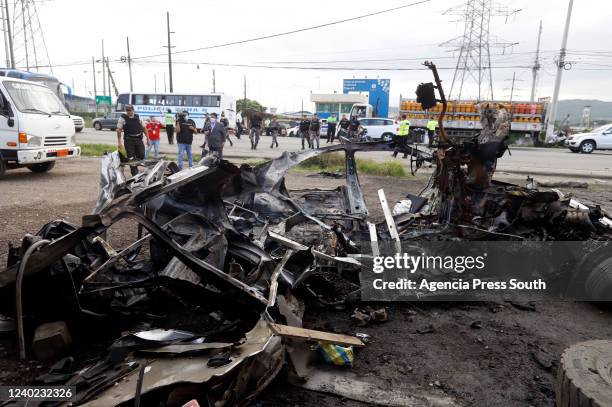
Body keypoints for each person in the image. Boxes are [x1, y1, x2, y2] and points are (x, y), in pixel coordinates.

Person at [116, 105, 149, 176]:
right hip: (129, 141)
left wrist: (148, 138)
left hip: (138, 139)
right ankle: (135, 174)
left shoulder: (138, 117)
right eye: (127, 110)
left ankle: (135, 164)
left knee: (142, 155)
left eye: (130, 110)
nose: (128, 112)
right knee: (131, 158)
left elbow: (144, 128)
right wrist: (119, 142)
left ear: (133, 110)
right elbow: (119, 130)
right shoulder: (123, 118)